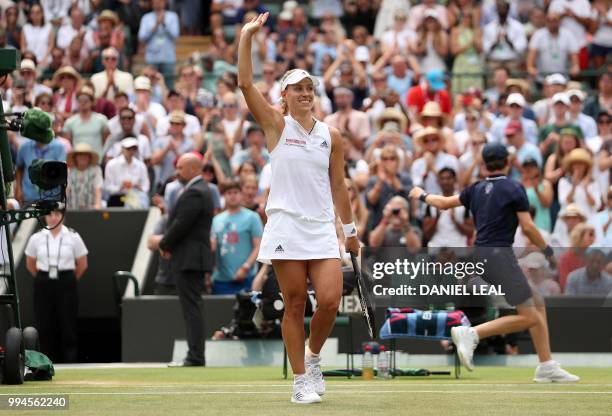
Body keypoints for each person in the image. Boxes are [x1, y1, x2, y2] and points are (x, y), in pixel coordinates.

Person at [238, 13, 359, 404]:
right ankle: (300, 381)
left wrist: (351, 231)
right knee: (293, 304)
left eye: (310, 88)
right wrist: (246, 37)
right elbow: (244, 83)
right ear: (284, 97)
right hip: (286, 226)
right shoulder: (276, 125)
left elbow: (338, 185)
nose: (306, 93)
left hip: (323, 227)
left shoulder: (332, 135)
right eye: (298, 89)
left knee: (328, 300)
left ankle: (312, 356)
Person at [409, 143, 580, 382]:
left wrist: (421, 194)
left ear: (483, 163)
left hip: (482, 255)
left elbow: (444, 203)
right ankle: (471, 333)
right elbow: (529, 228)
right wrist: (548, 250)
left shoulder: (476, 188)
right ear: (508, 162)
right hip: (499, 256)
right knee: (530, 316)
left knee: (537, 303)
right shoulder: (514, 187)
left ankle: (546, 365)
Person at [159, 153, 214, 367]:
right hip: (191, 258)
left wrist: (164, 244)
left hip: (189, 259)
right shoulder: (199, 190)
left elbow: (181, 224)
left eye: (181, 168)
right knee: (193, 308)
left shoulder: (195, 192)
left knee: (192, 309)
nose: (177, 171)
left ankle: (195, 356)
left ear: (193, 169)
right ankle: (195, 355)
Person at [25, 210, 88, 363]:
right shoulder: (37, 237)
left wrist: (69, 280)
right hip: (44, 280)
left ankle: (70, 362)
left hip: (66, 280)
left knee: (68, 324)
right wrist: (43, 278)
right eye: (50, 215)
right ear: (45, 217)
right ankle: (46, 364)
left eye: (57, 215)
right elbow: (30, 263)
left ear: (63, 217)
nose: (54, 218)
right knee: (44, 324)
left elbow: (82, 264)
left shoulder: (73, 236)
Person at [211, 181, 263, 294]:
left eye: (236, 192)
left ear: (241, 194)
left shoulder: (252, 217)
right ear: (224, 196)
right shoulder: (216, 219)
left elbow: (259, 246)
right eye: (229, 193)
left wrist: (246, 267)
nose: (233, 196)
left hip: (246, 277)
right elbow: (212, 246)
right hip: (221, 279)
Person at [66, 143, 103, 210]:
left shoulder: (96, 170)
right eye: (80, 155)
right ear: (75, 157)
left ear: (89, 157)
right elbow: (66, 190)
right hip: (72, 209)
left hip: (91, 209)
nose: (82, 157)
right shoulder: (69, 171)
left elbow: (98, 189)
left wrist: (97, 204)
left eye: (85, 155)